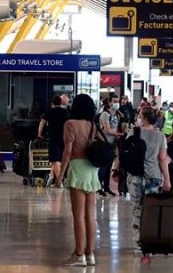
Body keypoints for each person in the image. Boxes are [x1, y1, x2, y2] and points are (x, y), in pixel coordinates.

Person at [59, 94, 102, 267]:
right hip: (92, 170)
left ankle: (78, 254)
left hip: (77, 168)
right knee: (90, 215)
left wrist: (60, 175)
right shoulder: (92, 125)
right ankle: (90, 254)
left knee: (78, 215)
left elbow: (68, 151)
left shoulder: (70, 124)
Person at [125, 107, 171, 261]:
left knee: (137, 210)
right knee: (150, 212)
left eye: (139, 116)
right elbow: (162, 159)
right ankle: (149, 247)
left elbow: (124, 152)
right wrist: (167, 180)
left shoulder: (134, 132)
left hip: (136, 176)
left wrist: (115, 170)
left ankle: (139, 245)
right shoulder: (160, 136)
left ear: (144, 118)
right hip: (154, 177)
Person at [39, 95, 70, 188]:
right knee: (59, 158)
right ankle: (51, 177)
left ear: (51, 103)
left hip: (53, 137)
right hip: (64, 138)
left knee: (54, 159)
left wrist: (39, 134)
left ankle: (61, 181)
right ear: (60, 103)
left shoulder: (49, 112)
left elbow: (42, 123)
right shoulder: (65, 112)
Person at [99, 95, 124, 197]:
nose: (116, 103)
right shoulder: (105, 114)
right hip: (104, 143)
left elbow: (115, 128)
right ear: (109, 103)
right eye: (114, 101)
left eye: (118, 101)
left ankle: (107, 188)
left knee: (109, 166)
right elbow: (107, 130)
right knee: (103, 166)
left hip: (112, 144)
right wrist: (119, 134)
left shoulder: (116, 115)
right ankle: (99, 187)